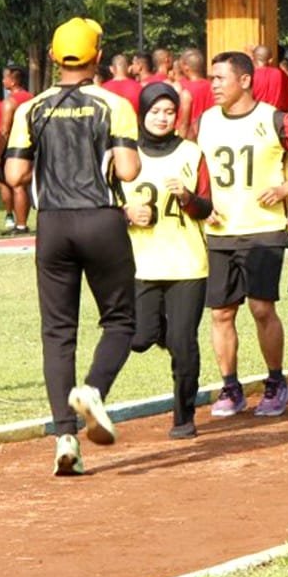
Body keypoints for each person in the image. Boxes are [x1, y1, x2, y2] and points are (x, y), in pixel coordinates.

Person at [3, 18, 140, 476]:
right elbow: (128, 170)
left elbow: (15, 176)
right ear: (98, 56)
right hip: (101, 218)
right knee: (121, 320)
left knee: (57, 333)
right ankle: (94, 390)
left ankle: (65, 436)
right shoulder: (114, 104)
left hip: (54, 224)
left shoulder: (32, 109)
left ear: (55, 57)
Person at [200, 51, 288, 419]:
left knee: (261, 308)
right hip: (220, 230)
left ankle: (275, 381)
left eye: (221, 78)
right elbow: (199, 166)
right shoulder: (207, 120)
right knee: (221, 313)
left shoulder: (273, 119)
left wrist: (286, 188)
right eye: (212, 78)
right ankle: (230, 386)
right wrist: (202, 205)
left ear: (244, 80)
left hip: (262, 231)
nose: (214, 86)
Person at [122, 82, 213, 439]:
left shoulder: (191, 153)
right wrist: (127, 214)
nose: (162, 118)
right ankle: (165, 334)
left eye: (169, 111)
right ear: (142, 113)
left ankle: (184, 417)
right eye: (155, 111)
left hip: (187, 262)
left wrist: (188, 198)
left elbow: (206, 207)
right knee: (141, 337)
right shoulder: (124, 155)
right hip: (140, 263)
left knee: (184, 342)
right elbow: (104, 206)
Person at [0, 66, 35, 232]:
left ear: (13, 81)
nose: (3, 81)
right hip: (33, 145)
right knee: (24, 186)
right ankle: (22, 222)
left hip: (17, 145)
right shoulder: (33, 98)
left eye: (5, 78)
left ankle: (20, 225)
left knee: (17, 185)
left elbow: (4, 130)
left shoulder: (10, 102)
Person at [176, 49, 215, 139]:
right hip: (210, 136)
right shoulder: (213, 87)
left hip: (191, 138)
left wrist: (180, 144)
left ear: (186, 67)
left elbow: (184, 123)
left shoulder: (185, 89)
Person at [249, 45, 288, 114]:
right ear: (271, 60)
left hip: (255, 115)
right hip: (276, 116)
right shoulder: (281, 74)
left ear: (253, 58)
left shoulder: (250, 76)